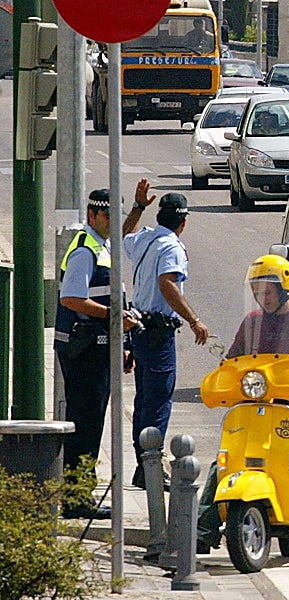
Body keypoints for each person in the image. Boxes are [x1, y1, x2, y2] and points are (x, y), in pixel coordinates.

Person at [196, 255, 289, 566]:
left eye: (268, 291)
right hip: (256, 404)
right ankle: (203, 531)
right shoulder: (252, 321)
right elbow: (235, 358)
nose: (263, 298)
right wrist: (221, 378)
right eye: (258, 291)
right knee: (223, 461)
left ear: (286, 289)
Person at [55, 189, 137, 520]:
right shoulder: (85, 251)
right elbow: (71, 299)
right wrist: (115, 318)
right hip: (83, 352)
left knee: (91, 423)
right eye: (107, 217)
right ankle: (76, 499)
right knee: (85, 425)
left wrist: (124, 343)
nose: (112, 223)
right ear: (92, 216)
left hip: (98, 349)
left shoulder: (103, 246)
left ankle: (79, 494)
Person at [122, 181, 209, 489]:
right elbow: (167, 284)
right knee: (157, 401)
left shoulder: (146, 237)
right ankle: (151, 468)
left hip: (141, 328)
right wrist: (195, 320)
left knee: (145, 399)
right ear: (183, 223)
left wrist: (137, 206)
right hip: (158, 333)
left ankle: (142, 464)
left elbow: (124, 235)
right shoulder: (171, 246)